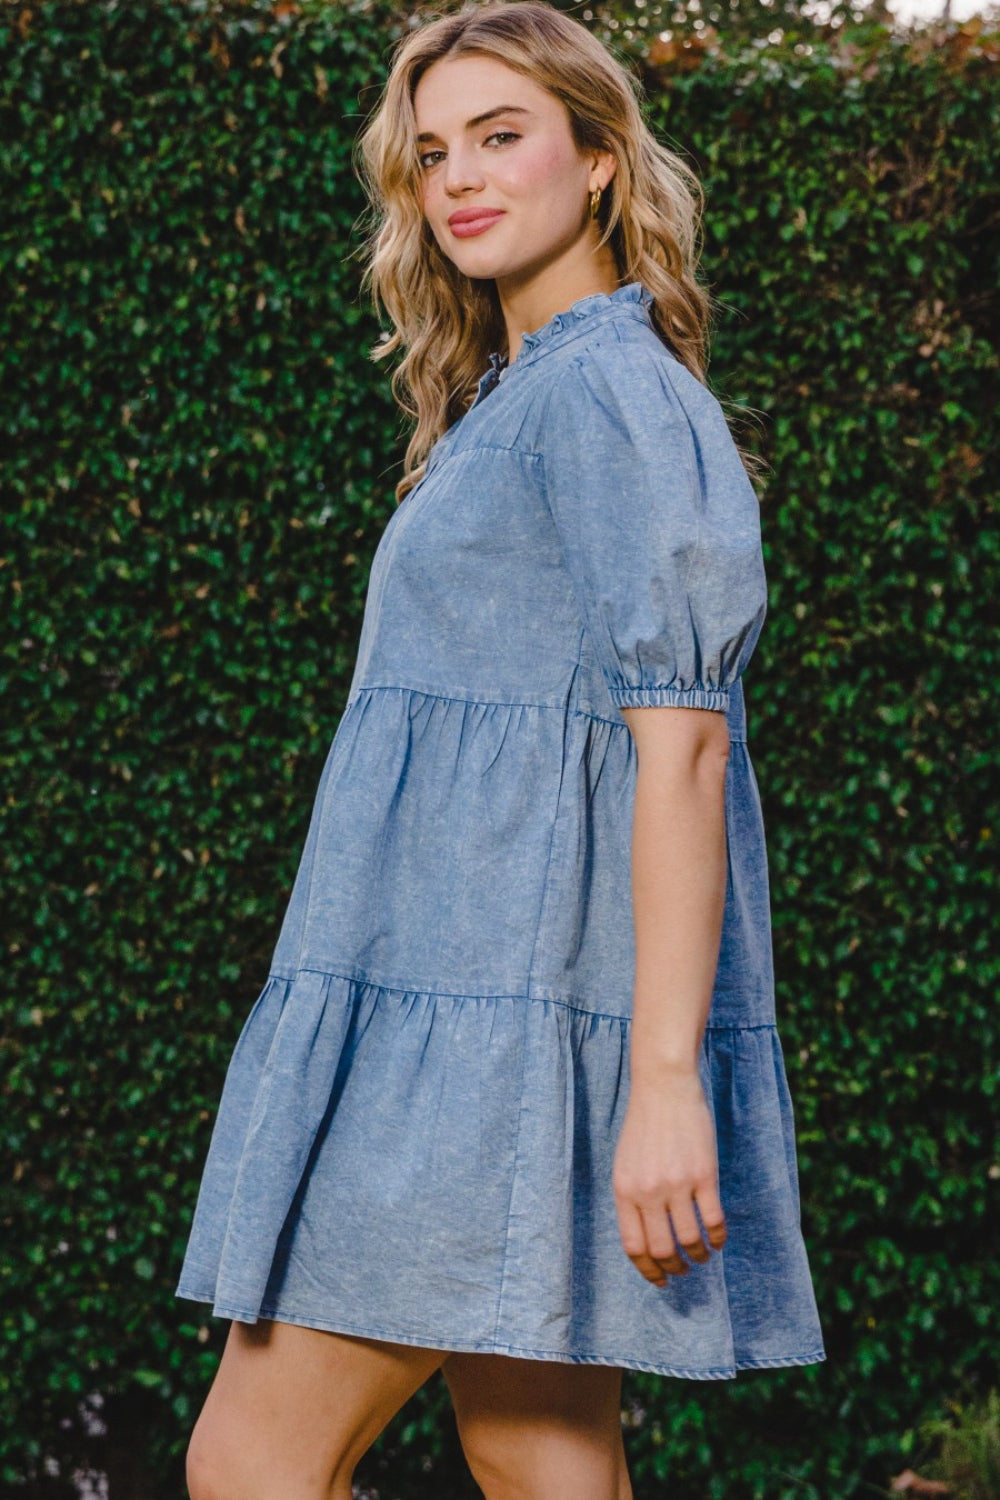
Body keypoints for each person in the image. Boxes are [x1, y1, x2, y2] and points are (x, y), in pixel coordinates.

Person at [178, 3, 825, 1496]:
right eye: (430, 153)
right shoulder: (517, 396)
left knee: (252, 1457)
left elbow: (686, 755)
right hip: (482, 1013)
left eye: (501, 135)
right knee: (540, 1457)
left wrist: (661, 1080)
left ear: (600, 161)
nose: (459, 178)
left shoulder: (604, 394)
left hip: (495, 1043)